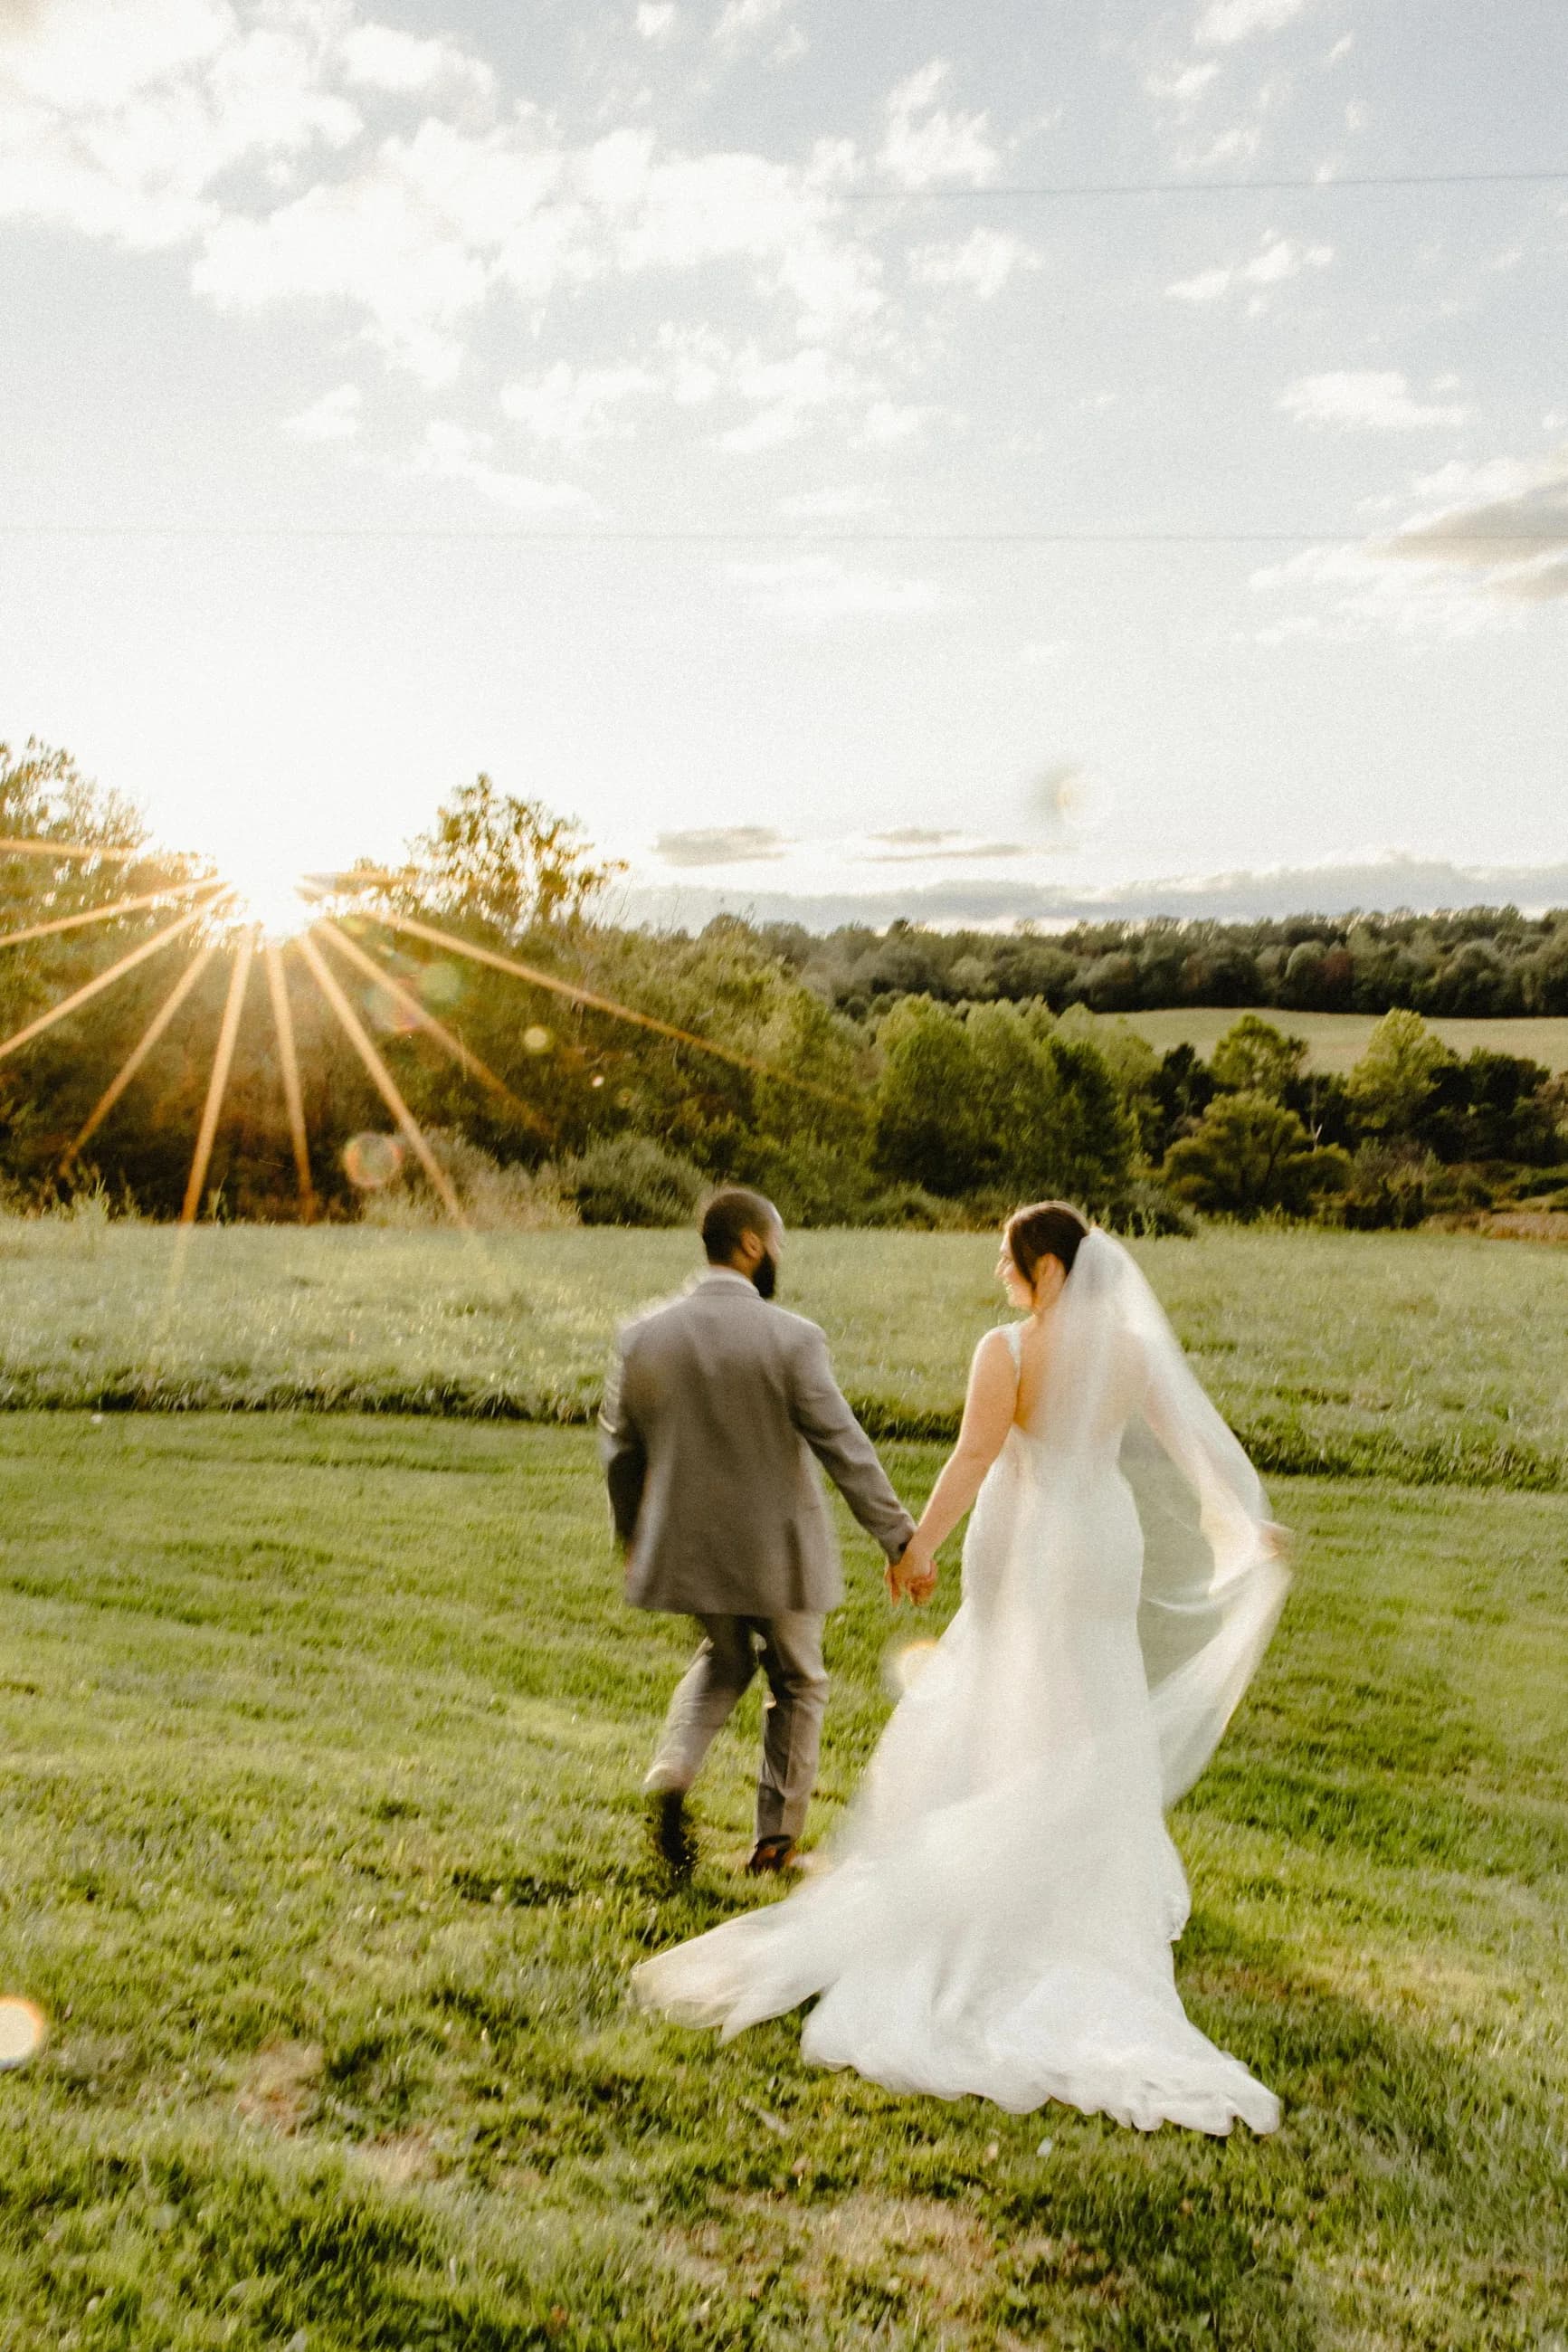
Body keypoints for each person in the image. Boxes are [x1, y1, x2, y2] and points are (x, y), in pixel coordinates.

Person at [632, 1201, 1291, 2137]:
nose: (997, 1273)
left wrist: (916, 1547)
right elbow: (1190, 1448)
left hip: (1030, 1542)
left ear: (1047, 1268)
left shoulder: (1007, 1353)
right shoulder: (1129, 1351)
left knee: (1002, 1682)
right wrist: (1243, 1521)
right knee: (1092, 1697)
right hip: (1104, 1539)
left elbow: (975, 1455)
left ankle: (993, 1855)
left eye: (1006, 1258)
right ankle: (1079, 1868)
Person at [600, 1186, 917, 1878]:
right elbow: (843, 1444)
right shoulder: (791, 1338)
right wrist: (897, 1535)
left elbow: (620, 1451)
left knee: (723, 1659)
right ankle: (774, 1843)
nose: (779, 1253)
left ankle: (674, 1768)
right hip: (779, 1549)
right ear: (749, 1244)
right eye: (776, 1240)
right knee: (798, 1681)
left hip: (687, 1548)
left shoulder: (645, 1335)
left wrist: (632, 1537)